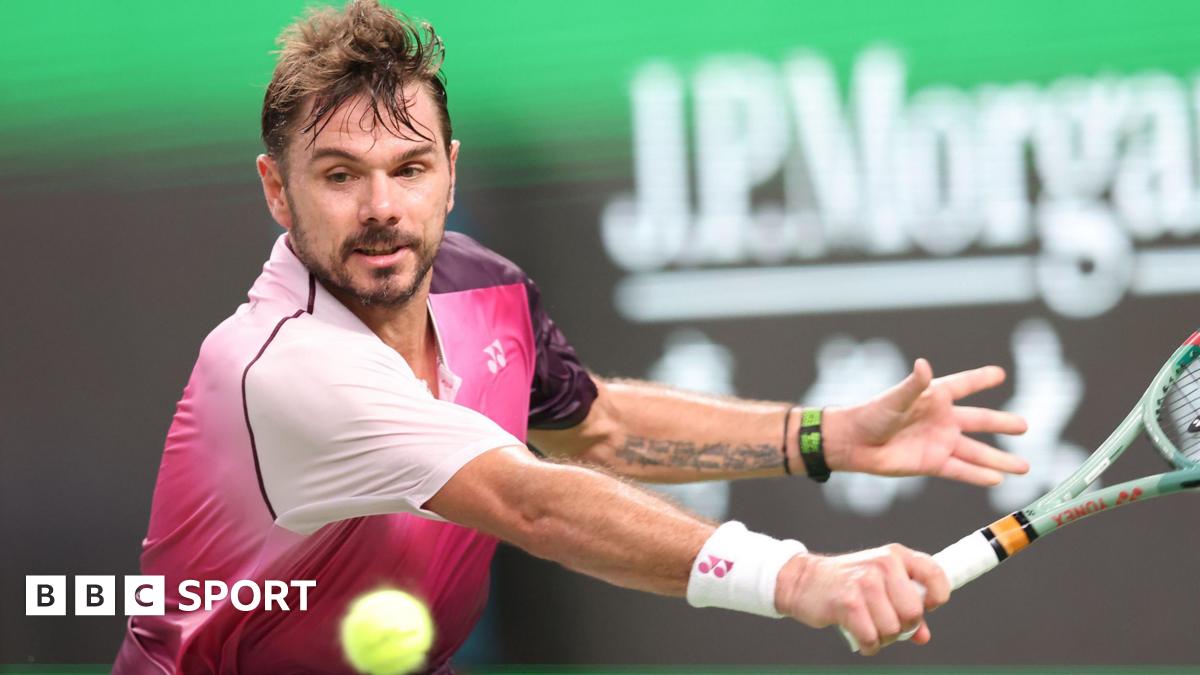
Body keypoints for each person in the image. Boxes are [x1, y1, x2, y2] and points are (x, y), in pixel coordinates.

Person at [114, 1, 1029, 672]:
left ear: (450, 171)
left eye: (410, 167)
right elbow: (533, 501)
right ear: (278, 191)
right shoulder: (283, 366)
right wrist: (794, 578)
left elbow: (591, 428)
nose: (383, 208)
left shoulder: (477, 283)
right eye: (341, 175)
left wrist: (822, 437)